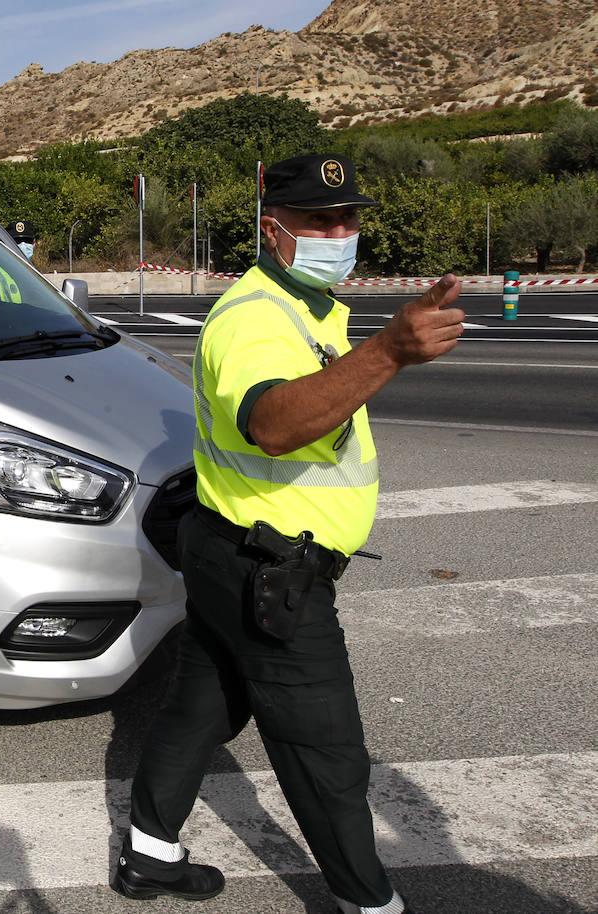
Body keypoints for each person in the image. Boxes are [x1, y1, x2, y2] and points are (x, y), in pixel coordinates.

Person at [113, 153, 464, 914]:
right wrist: (390, 351)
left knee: (203, 706)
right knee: (326, 755)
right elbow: (272, 424)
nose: (340, 232)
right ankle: (369, 902)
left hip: (229, 551)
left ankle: (149, 855)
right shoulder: (254, 319)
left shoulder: (310, 310)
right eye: (319, 220)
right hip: (269, 572)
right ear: (275, 231)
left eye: (348, 218)